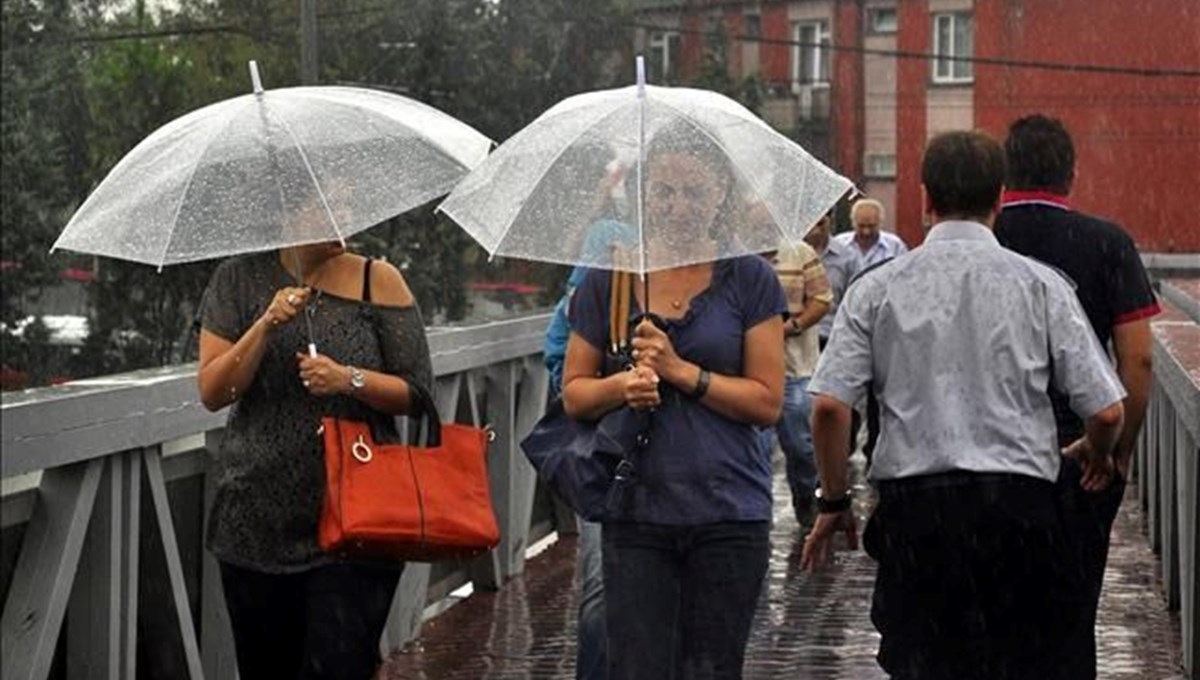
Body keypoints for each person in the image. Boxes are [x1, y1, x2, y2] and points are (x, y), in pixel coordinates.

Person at [803, 130, 1127, 679]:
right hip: (1020, 511)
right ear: (998, 198)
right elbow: (1107, 411)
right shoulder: (1042, 286)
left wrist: (833, 502)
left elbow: (830, 409)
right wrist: (1096, 450)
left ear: (926, 198)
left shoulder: (877, 288)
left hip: (917, 518)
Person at [562, 123, 786, 679]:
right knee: (638, 668)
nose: (678, 206)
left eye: (694, 192)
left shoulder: (749, 279)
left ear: (719, 195)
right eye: (664, 191)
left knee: (712, 668)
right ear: (644, 195)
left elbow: (766, 401)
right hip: (636, 511)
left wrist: (681, 371)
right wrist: (623, 386)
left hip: (729, 508)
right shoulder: (609, 280)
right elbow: (575, 393)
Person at [196, 233, 434, 679]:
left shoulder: (378, 281)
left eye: (346, 201)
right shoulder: (238, 279)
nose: (340, 220)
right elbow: (214, 391)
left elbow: (418, 393)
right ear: (289, 211)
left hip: (356, 523)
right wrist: (265, 325)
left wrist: (349, 379)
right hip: (256, 521)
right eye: (327, 205)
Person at [994, 113, 1159, 678]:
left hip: (989, 456)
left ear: (1004, 174)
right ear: (1071, 173)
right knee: (1069, 618)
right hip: (1078, 456)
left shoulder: (979, 241)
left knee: (990, 620)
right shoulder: (1107, 243)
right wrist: (1115, 448)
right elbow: (1137, 358)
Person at [543, 152, 635, 680]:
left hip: (686, 463)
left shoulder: (710, 259)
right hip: (609, 451)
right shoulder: (607, 244)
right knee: (603, 590)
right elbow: (562, 358)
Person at [767, 234, 831, 526]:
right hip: (749, 370)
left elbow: (822, 298)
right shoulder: (736, 254)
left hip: (795, 368)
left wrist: (793, 325)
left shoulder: (799, 252)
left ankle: (806, 497)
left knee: (800, 446)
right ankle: (755, 516)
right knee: (755, 449)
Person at [802, 212, 857, 349]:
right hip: (797, 337)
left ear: (830, 221)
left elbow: (854, 301)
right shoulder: (789, 255)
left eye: (821, 223)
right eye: (811, 223)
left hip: (832, 337)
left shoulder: (847, 257)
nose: (815, 229)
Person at [833, 198, 908, 271]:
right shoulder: (839, 244)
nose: (866, 232)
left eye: (871, 226)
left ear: (880, 223)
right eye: (861, 226)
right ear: (853, 223)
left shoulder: (895, 246)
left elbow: (904, 273)